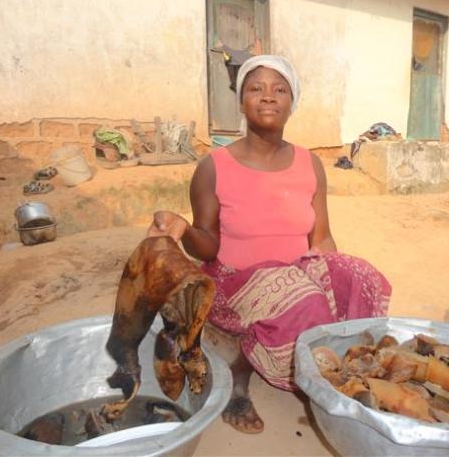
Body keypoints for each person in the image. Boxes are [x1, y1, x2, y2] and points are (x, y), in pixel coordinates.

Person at [147, 55, 391, 434]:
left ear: (292, 103)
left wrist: (332, 282)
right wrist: (183, 229)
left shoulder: (310, 164)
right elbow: (206, 247)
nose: (268, 97)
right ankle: (241, 375)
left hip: (295, 278)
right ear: (241, 102)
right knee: (300, 297)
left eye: (280, 90)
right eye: (255, 89)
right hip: (232, 284)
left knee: (361, 276)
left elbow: (321, 237)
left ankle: (340, 364)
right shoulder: (213, 166)